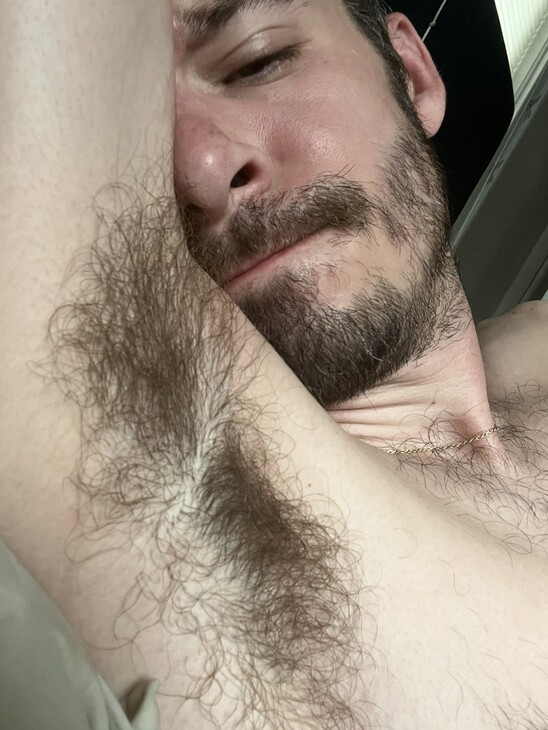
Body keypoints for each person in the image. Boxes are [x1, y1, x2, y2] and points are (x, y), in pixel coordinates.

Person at [1, 0, 547, 728]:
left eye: (256, 61)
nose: (201, 171)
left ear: (412, 75)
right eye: (133, 133)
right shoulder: (170, 499)